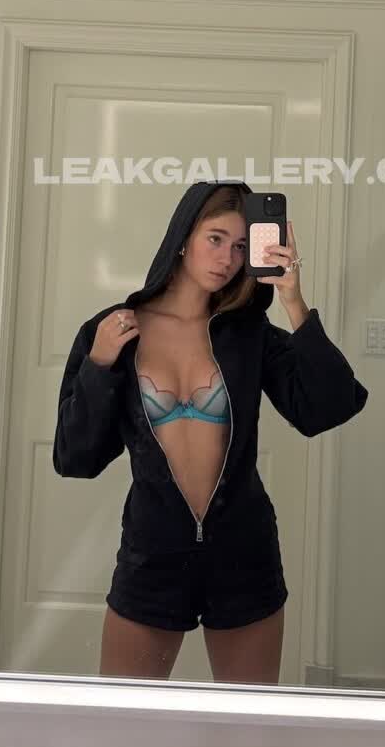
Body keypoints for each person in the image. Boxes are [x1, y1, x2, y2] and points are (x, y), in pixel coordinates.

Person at [54, 179, 368, 684]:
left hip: (244, 553)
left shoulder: (248, 335)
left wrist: (293, 301)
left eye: (241, 247)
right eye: (216, 239)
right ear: (184, 237)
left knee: (246, 723)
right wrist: (99, 366)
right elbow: (75, 457)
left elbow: (328, 407)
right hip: (152, 553)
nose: (227, 258)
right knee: (126, 719)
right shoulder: (115, 331)